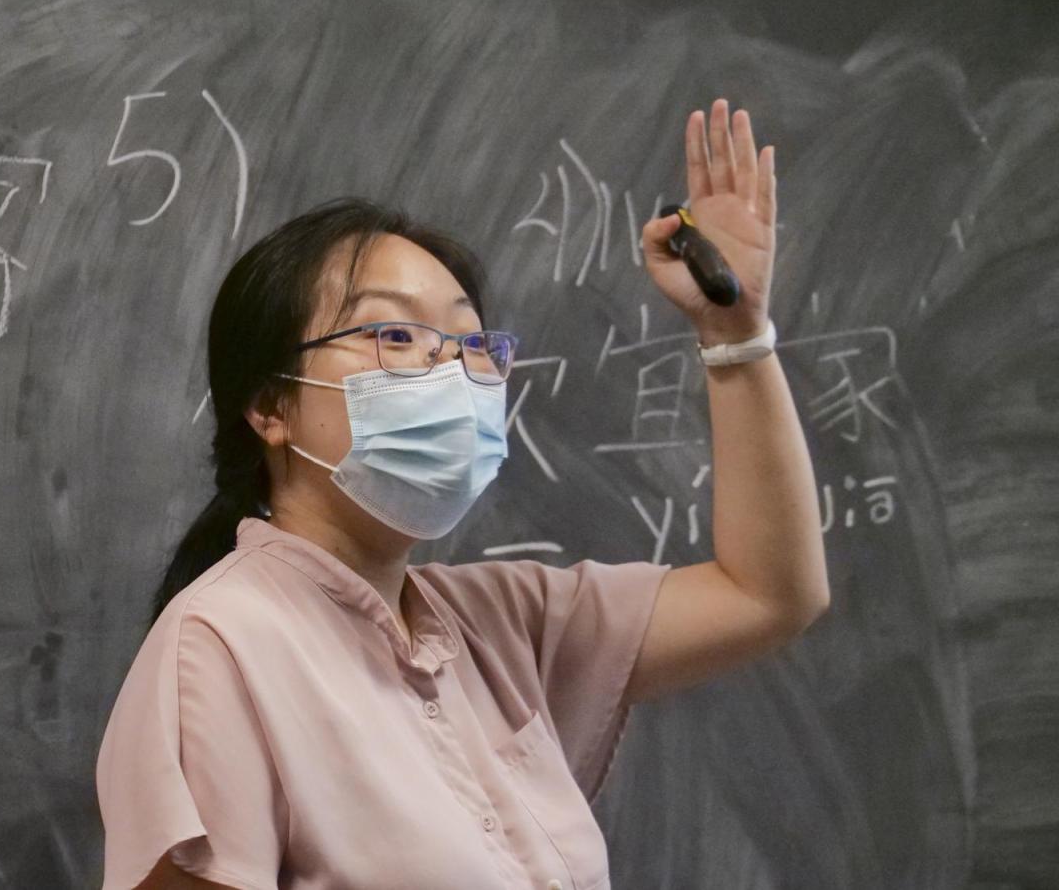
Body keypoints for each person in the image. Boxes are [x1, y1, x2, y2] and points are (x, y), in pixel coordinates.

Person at [96, 99, 829, 890]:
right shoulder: (221, 645)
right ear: (270, 406)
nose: (451, 375)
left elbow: (769, 594)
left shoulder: (499, 624)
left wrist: (736, 334)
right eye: (396, 336)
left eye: (473, 344)